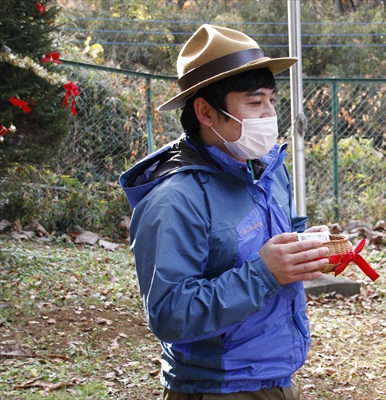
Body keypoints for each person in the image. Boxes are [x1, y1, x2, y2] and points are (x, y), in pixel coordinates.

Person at [119, 24, 332, 399]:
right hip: (218, 386)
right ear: (205, 111)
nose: (268, 115)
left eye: (271, 100)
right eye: (254, 103)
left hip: (278, 375)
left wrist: (307, 244)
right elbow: (169, 313)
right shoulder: (175, 199)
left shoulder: (266, 167)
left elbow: (282, 232)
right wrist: (265, 272)